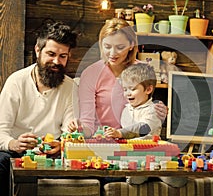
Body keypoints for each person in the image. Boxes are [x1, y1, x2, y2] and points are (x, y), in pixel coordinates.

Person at [69, 18, 187, 188]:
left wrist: (159, 111)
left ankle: (153, 171)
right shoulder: (92, 73)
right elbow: (87, 122)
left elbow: (146, 106)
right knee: (115, 177)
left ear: (132, 44)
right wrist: (79, 128)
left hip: (139, 142)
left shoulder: (142, 71)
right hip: (108, 145)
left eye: (120, 47)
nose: (112, 53)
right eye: (107, 46)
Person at [0, 21, 78, 196]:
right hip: (15, 153)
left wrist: (62, 144)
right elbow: (1, 130)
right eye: (51, 54)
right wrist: (13, 143)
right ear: (37, 50)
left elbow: (70, 131)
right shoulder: (16, 82)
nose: (56, 61)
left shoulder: (70, 87)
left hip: (52, 156)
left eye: (63, 56)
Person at [104, 63, 161, 140]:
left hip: (147, 150)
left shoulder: (153, 110)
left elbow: (144, 127)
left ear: (148, 90)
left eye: (133, 89)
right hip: (128, 149)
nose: (128, 93)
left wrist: (121, 133)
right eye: (125, 89)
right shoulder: (126, 110)